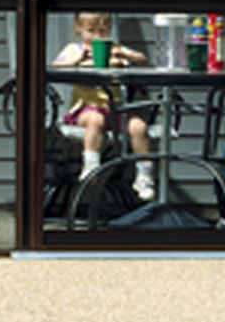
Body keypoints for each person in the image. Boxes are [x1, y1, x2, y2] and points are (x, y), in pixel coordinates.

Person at [53, 11, 156, 201]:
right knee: (96, 119)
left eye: (103, 31)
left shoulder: (115, 49)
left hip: (116, 110)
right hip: (84, 110)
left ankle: (144, 176)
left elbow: (142, 59)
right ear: (78, 29)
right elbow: (57, 65)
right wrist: (77, 61)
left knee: (139, 126)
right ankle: (91, 165)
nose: (97, 36)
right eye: (90, 31)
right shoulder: (75, 49)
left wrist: (125, 53)